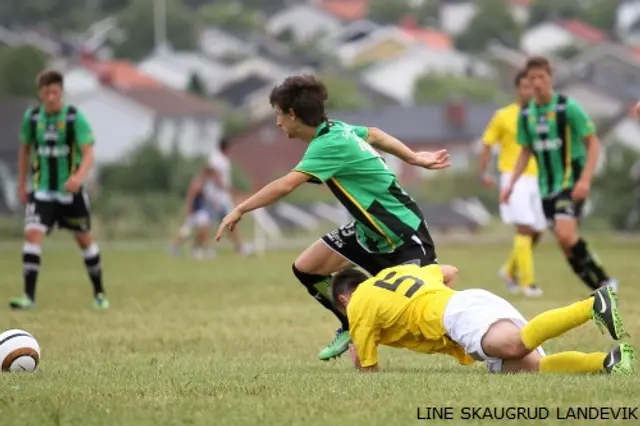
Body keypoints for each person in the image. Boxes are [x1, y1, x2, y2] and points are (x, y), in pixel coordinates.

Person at [215, 75, 451, 361]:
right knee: (307, 267)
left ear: (292, 114)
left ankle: (483, 337)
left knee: (431, 309)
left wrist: (240, 209)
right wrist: (413, 158)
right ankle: (352, 323)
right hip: (369, 231)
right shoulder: (335, 130)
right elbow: (375, 134)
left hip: (401, 232)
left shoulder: (328, 143)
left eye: (278, 114)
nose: (276, 122)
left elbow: (286, 184)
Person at [331, 263, 634, 374]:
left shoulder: (358, 306)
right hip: (469, 301)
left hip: (457, 317)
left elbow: (368, 368)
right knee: (528, 368)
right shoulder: (395, 272)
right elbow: (450, 270)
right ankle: (608, 363)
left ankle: (594, 304)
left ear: (345, 299)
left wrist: (357, 353)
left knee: (516, 346)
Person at [501, 56, 618, 293]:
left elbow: (593, 144)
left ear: (550, 78)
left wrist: (585, 180)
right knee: (566, 245)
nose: (536, 83)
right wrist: (511, 184)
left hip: (570, 182)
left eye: (541, 77)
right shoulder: (526, 115)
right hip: (546, 187)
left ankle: (606, 281)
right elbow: (525, 151)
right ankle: (598, 288)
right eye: (531, 78)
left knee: (566, 236)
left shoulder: (567, 108)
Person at [10, 69, 108, 310]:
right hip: (42, 191)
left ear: (61, 92)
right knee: (32, 235)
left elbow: (88, 153)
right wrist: (21, 184)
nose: (51, 97)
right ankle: (28, 297)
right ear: (40, 94)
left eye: (54, 92)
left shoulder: (74, 118)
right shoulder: (32, 119)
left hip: (70, 193)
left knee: (85, 241)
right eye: (46, 93)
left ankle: (99, 293)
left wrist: (78, 177)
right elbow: (24, 151)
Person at [479, 70, 544, 296]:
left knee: (538, 230)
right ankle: (528, 283)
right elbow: (487, 143)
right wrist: (484, 172)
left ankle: (508, 270)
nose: (530, 91)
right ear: (518, 89)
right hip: (513, 177)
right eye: (525, 86)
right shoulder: (504, 115)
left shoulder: (542, 114)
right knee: (524, 227)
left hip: (540, 177)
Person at [208, 139, 252, 256]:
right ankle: (208, 248)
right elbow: (216, 176)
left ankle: (240, 247)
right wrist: (228, 189)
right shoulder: (217, 159)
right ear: (226, 148)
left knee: (230, 222)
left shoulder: (223, 160)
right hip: (217, 197)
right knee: (218, 222)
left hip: (222, 196)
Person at [170, 160, 220, 260]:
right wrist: (189, 209)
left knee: (197, 230)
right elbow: (191, 196)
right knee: (189, 231)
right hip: (195, 211)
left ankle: (194, 249)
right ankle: (178, 248)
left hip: (199, 211)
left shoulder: (204, 182)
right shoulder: (199, 182)